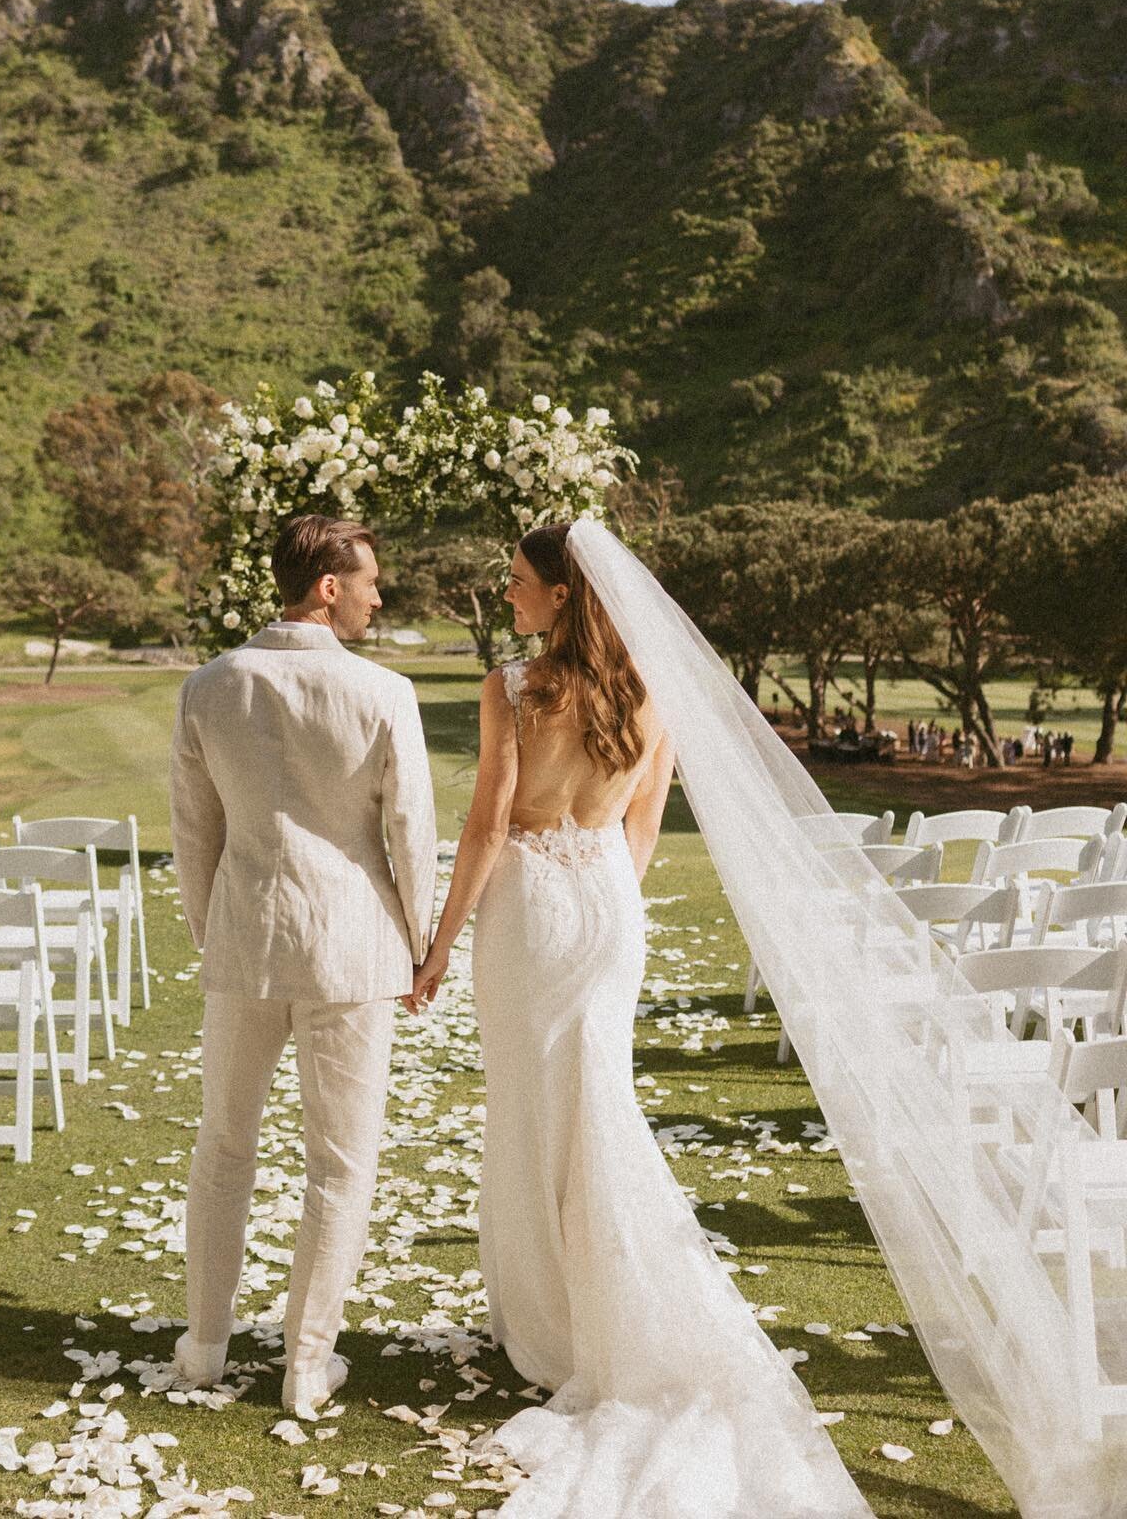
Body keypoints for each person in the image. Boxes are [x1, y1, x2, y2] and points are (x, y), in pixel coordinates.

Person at [410, 523, 869, 1517]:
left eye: (522, 582)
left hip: (527, 904)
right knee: (599, 1110)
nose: (511, 593)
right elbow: (644, 820)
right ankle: (606, 1310)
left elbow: (488, 824)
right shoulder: (651, 693)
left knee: (533, 1115)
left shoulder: (513, 688)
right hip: (609, 907)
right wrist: (604, 893)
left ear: (566, 597)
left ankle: (548, 1330)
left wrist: (440, 944)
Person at [169, 514, 438, 1417]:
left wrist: (217, 933)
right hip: (354, 949)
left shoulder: (210, 685)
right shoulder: (384, 692)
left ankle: (205, 1348)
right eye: (368, 579)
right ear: (328, 584)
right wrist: (421, 942)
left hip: (246, 941)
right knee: (341, 1162)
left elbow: (193, 832)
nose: (377, 593)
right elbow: (411, 833)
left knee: (224, 1146)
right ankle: (305, 1363)